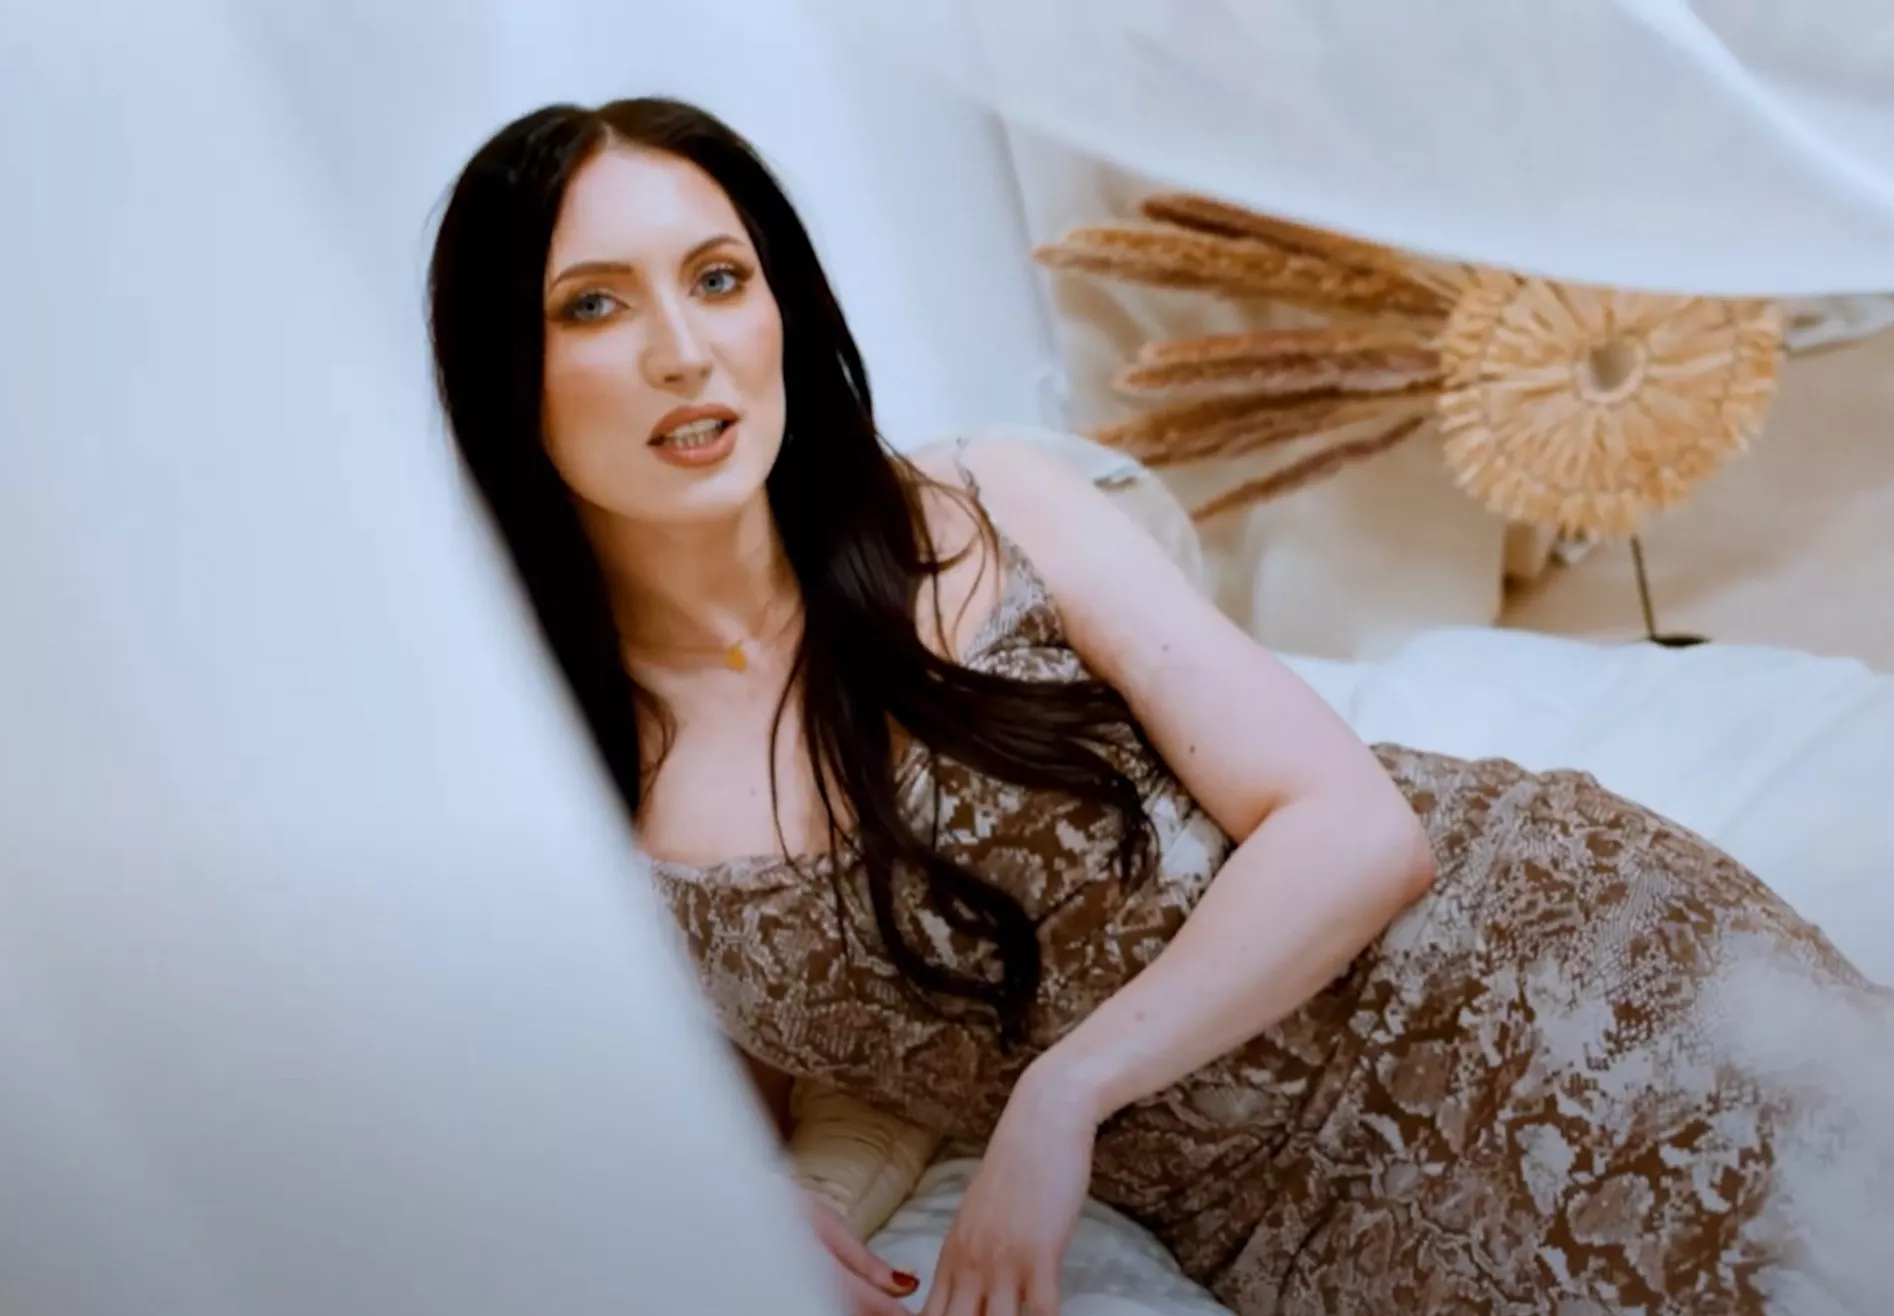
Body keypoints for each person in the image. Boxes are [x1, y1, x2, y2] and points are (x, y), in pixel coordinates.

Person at [425, 97, 1881, 1316]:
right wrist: (746, 1211)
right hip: (1301, 1222)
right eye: (592, 304)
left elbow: (1356, 829)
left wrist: (1061, 1099)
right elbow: (776, 1084)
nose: (682, 350)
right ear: (507, 374)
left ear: (781, 311)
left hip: (1514, 969)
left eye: (718, 278)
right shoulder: (579, 788)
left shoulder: (984, 506)